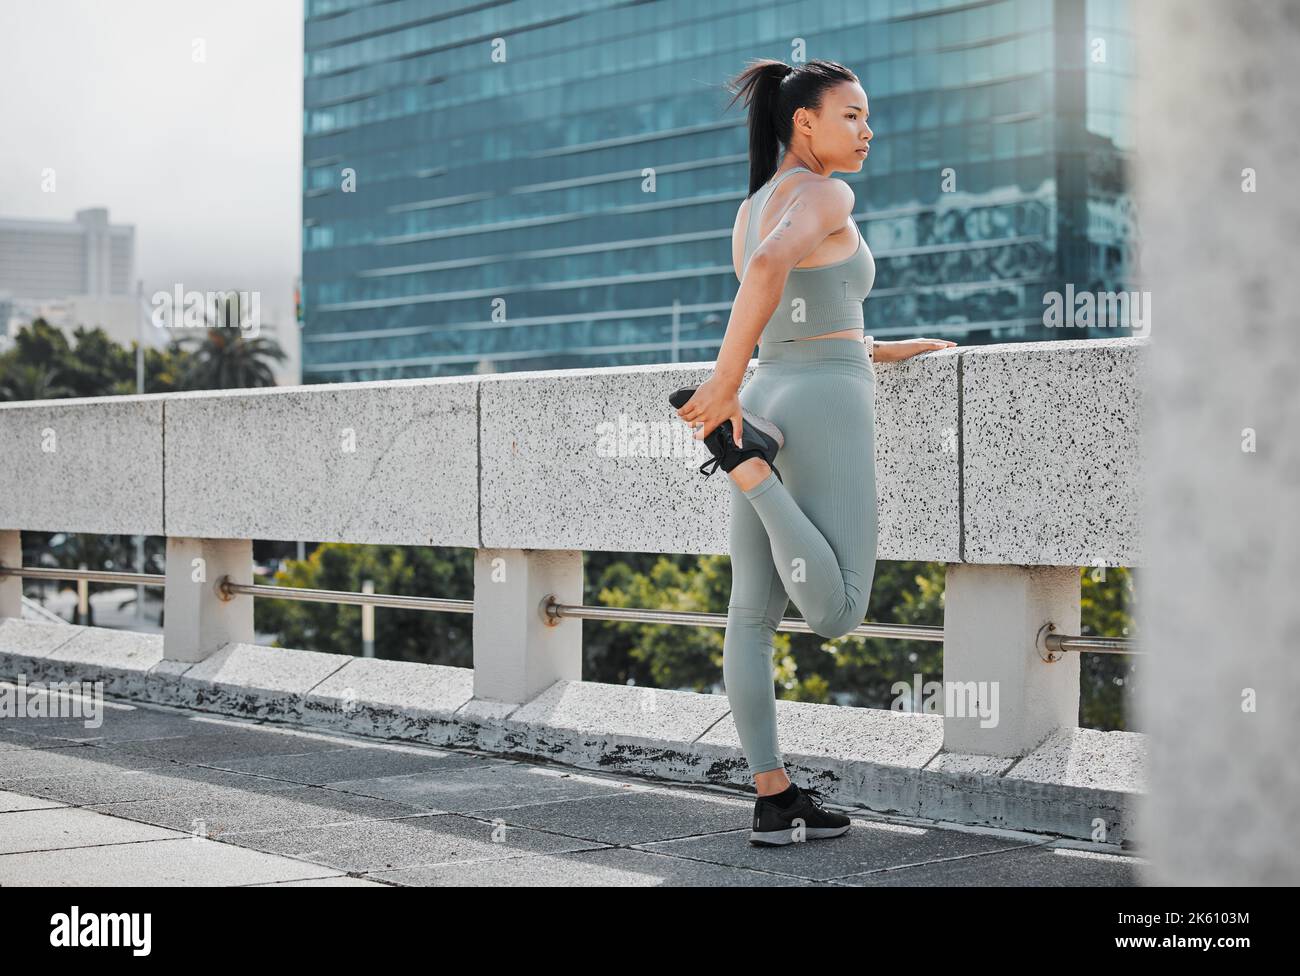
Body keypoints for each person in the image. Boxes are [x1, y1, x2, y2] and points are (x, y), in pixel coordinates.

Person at [671, 58, 955, 846]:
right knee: (836, 611)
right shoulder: (829, 192)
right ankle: (750, 468)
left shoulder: (752, 204)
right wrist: (720, 390)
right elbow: (773, 271)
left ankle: (773, 798)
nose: (868, 132)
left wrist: (877, 348)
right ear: (805, 122)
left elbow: (795, 304)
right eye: (853, 116)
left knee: (750, 615)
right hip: (820, 402)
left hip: (772, 393)